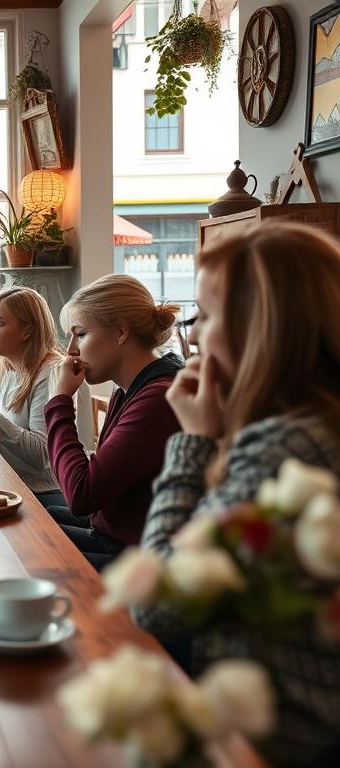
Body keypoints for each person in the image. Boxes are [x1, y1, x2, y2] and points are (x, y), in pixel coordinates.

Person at [138, 222, 340, 767]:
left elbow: (156, 605)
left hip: (269, 745)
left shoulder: (287, 447)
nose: (194, 335)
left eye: (205, 314)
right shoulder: (316, 425)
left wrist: (192, 443)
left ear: (260, 328)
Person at [45, 274, 184, 569]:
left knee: (36, 556)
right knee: (33, 517)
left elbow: (81, 495)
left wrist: (59, 402)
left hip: (138, 557)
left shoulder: (158, 398)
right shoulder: (127, 387)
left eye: (80, 334)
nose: (71, 349)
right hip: (110, 532)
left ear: (121, 331)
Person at [0, 287, 93, 508]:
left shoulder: (51, 373)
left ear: (27, 331)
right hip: (10, 481)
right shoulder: (7, 366)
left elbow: (42, 457)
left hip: (45, 492)